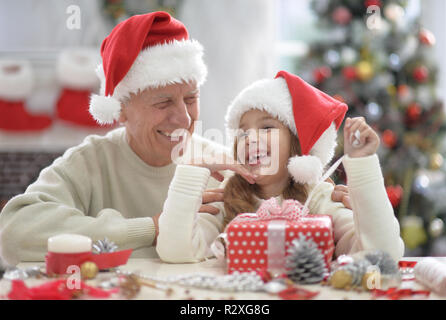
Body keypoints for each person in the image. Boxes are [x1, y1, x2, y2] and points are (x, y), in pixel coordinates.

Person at [0, 12, 351, 266]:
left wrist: (331, 196)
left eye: (191, 98)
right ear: (121, 110)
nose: (183, 118)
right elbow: (14, 233)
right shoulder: (91, 162)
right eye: (163, 102)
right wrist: (148, 228)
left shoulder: (225, 169)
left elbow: (290, 213)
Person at [156, 71, 405, 263]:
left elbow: (382, 254)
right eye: (242, 132)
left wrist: (362, 165)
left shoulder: (319, 199)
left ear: (297, 147)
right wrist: (192, 168)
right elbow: (174, 251)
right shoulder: (226, 198)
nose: (250, 138)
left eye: (266, 127)